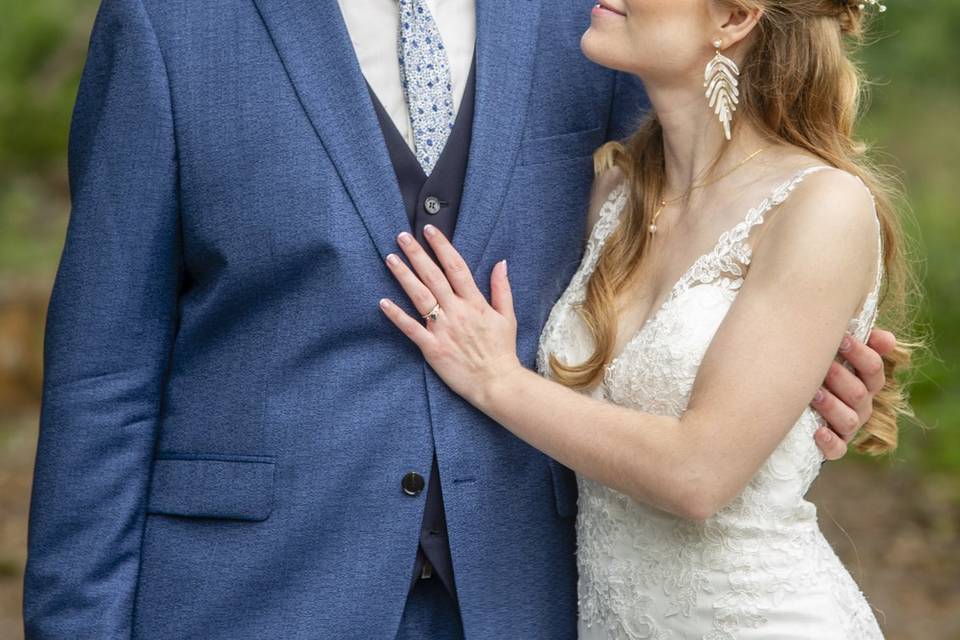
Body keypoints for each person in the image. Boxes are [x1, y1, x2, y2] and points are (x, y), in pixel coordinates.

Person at [22, 0, 894, 638]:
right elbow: (104, 375)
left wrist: (816, 359)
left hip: (528, 592)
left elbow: (734, 198)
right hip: (255, 591)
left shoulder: (589, 26)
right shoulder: (169, 23)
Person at [376, 0, 912, 638]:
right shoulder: (618, 199)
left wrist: (497, 379)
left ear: (735, 18)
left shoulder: (821, 205)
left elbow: (698, 475)